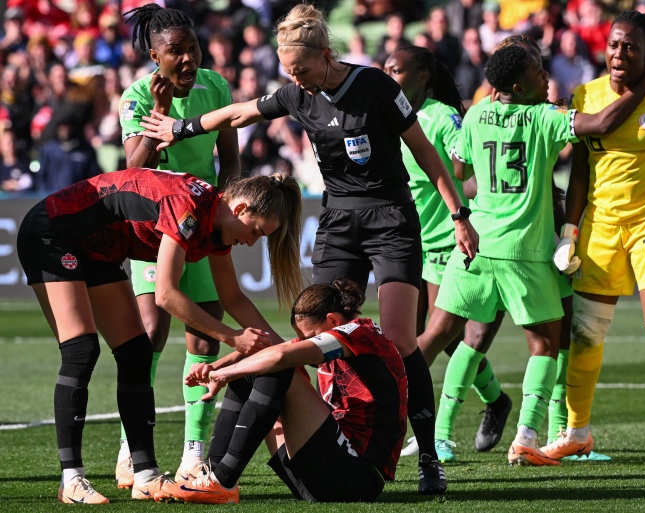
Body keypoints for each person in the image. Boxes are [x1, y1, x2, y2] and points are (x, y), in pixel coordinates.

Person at [139, 3, 479, 495]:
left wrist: (458, 215)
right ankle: (330, 431)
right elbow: (240, 112)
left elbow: (426, 153)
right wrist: (180, 129)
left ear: (325, 54)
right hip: (339, 222)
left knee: (402, 341)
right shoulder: (298, 94)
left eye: (301, 69)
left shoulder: (376, 87)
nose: (296, 80)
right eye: (288, 72)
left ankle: (428, 456)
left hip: (390, 220)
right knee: (311, 326)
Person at [415, 38, 645, 466]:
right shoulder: (543, 117)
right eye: (537, 72)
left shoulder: (475, 114)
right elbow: (600, 124)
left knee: (460, 339)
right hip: (525, 250)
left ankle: (440, 438)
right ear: (520, 87)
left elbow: (460, 170)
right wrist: (642, 86)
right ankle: (527, 435)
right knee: (548, 345)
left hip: (475, 244)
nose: (546, 76)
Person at [16, 169, 303, 504]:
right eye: (255, 231)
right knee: (81, 349)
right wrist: (231, 337)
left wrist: (283, 349)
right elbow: (166, 294)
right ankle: (71, 480)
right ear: (239, 209)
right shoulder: (189, 207)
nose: (252, 241)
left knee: (137, 353)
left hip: (97, 249)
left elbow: (233, 298)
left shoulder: (216, 223)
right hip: (53, 233)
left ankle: (146, 476)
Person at [545, 10, 645, 467]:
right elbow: (580, 173)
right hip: (601, 227)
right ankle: (577, 432)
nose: (619, 54)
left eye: (630, 46)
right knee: (585, 333)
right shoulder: (586, 95)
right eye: (615, 44)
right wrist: (569, 232)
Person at [117, 3, 242, 486]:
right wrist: (162, 113)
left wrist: (225, 207)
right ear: (155, 56)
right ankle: (134, 446)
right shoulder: (135, 98)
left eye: (193, 48)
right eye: (177, 52)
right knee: (150, 332)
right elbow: (132, 169)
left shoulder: (216, 87)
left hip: (203, 225)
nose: (189, 59)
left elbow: (228, 160)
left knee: (205, 334)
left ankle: (193, 454)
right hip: (154, 228)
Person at [153, 278, 406, 504]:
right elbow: (270, 350)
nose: (307, 342)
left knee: (277, 367)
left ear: (332, 321)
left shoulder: (361, 333)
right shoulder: (339, 334)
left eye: (310, 336)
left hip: (359, 478)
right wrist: (215, 368)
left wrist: (226, 374)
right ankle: (212, 473)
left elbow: (281, 355)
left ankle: (223, 481)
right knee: (257, 365)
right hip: (326, 474)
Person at [383, 45, 510, 461]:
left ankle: (423, 429)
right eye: (386, 69)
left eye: (397, 70)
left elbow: (467, 164)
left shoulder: (442, 116)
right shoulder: (388, 113)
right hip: (404, 240)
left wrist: (466, 213)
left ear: (422, 76)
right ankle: (495, 400)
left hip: (442, 241)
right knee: (437, 342)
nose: (389, 76)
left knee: (430, 341)